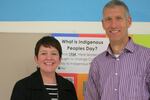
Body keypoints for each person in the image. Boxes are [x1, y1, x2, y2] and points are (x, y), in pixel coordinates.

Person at [85, 0, 150, 100]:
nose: (113, 25)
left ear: (129, 21)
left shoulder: (147, 57)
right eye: (108, 19)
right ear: (103, 24)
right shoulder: (97, 63)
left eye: (118, 18)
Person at [11, 36, 78, 100]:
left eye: (53, 53)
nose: (49, 58)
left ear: (60, 59)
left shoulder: (68, 87)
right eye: (43, 53)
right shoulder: (22, 87)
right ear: (36, 58)